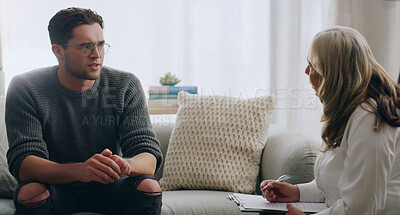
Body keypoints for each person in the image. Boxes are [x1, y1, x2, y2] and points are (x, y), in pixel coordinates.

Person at [6, 7, 163, 215]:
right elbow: (25, 166)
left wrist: (125, 165)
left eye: (100, 45)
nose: (96, 55)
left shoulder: (126, 85)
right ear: (58, 51)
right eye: (86, 46)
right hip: (55, 188)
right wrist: (81, 170)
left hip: (112, 187)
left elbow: (148, 157)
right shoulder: (26, 87)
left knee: (149, 186)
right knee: (30, 193)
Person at [260, 26, 400, 214]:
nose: (306, 71)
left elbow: (362, 206)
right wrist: (297, 192)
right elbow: (339, 183)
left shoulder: (371, 118)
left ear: (333, 75)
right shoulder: (350, 111)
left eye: (313, 66)